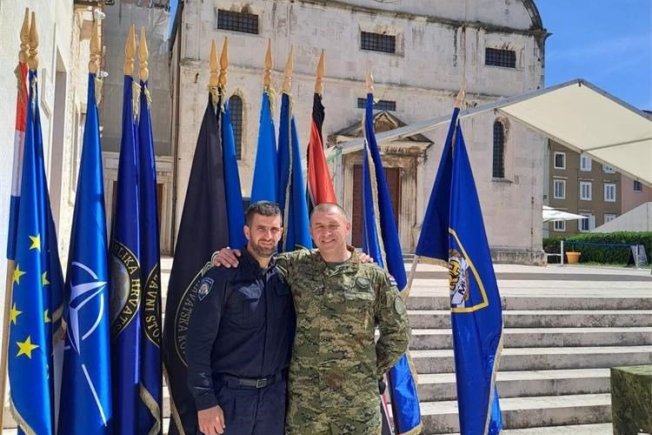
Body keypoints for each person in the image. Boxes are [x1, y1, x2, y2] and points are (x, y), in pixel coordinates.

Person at [214, 203, 410, 435]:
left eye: (333, 226)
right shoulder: (296, 265)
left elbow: (399, 334)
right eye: (319, 227)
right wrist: (222, 254)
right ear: (311, 232)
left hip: (356, 407)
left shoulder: (373, 276)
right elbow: (258, 259)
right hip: (306, 408)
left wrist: (367, 370)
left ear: (347, 227)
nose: (326, 233)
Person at [185, 201, 294, 435]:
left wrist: (358, 257)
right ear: (247, 231)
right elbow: (197, 344)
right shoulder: (223, 276)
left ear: (281, 233)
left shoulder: (287, 277)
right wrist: (205, 401)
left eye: (274, 229)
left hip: (273, 401)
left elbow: (328, 256)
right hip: (229, 398)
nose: (268, 236)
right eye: (261, 229)